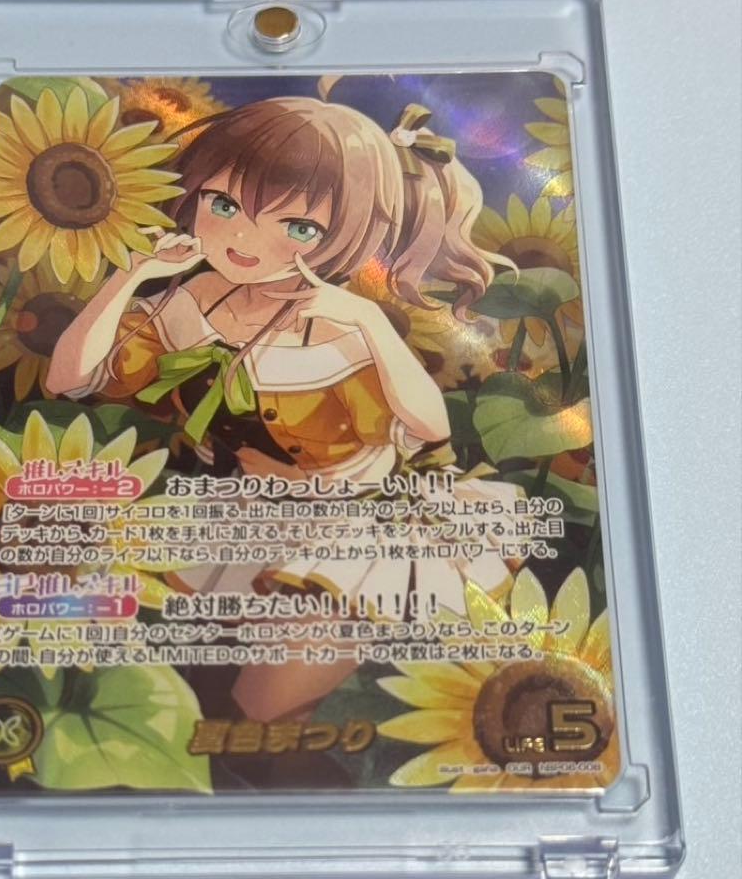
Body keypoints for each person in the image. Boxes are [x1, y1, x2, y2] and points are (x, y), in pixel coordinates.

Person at [47, 95, 517, 724]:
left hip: (359, 523)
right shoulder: (189, 302)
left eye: (298, 228)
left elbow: (429, 428)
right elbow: (68, 380)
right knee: (185, 687)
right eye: (224, 205)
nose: (244, 240)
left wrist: (369, 324)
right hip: (240, 516)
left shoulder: (342, 321)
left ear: (343, 237)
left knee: (264, 705)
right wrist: (131, 276)